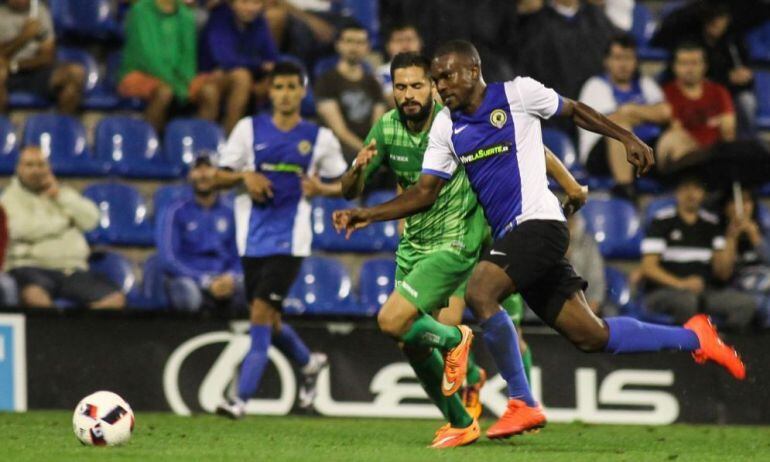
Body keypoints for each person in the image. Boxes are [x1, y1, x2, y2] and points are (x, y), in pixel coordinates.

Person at [332, 40, 746, 441]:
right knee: (591, 335)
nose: (441, 86)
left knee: (480, 290)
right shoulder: (446, 126)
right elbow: (425, 193)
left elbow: (575, 110)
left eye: (447, 76)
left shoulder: (518, 94)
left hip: (540, 223)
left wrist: (627, 137)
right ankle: (696, 337)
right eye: (437, 80)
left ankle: (522, 401)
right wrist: (368, 213)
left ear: (473, 71)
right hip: (517, 239)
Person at [318, 52, 587, 448]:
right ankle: (463, 417)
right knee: (410, 338)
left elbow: (530, 148)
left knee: (423, 323)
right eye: (400, 87)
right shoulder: (387, 128)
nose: (408, 94)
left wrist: (571, 184)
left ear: (433, 87)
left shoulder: (457, 118)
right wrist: (356, 171)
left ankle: (518, 397)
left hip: (463, 241)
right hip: (414, 243)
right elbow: (350, 190)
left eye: (417, 85)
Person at [212, 62, 347, 418]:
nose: (286, 94)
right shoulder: (248, 129)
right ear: (270, 92)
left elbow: (348, 184)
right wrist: (245, 176)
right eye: (279, 87)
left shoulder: (319, 138)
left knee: (259, 314)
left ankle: (240, 400)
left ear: (303, 92)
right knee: (270, 319)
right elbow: (217, 177)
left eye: (292, 87)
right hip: (251, 241)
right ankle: (309, 363)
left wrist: (322, 189)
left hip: (291, 242)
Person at [1, 146, 125, 309]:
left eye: (41, 165)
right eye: (29, 165)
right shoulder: (8, 199)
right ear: (19, 168)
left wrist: (59, 196)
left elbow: (91, 220)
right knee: (34, 296)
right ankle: (54, 325)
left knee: (115, 299)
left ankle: (80, 325)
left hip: (72, 270)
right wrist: (65, 222)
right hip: (31, 268)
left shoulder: (64, 194)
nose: (36, 170)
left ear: (49, 168)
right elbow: (19, 229)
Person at [641, 176, 758, 331]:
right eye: (686, 188)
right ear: (677, 192)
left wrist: (731, 237)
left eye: (696, 189)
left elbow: (723, 274)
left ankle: (722, 340)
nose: (691, 194)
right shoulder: (661, 221)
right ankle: (684, 342)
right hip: (666, 291)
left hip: (705, 292)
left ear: (703, 193)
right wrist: (681, 284)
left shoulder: (711, 224)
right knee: (687, 301)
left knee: (745, 304)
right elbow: (649, 268)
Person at [578, 33, 671, 199]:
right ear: (607, 61)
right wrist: (645, 115)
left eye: (628, 58)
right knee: (620, 130)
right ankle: (625, 191)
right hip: (601, 156)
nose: (623, 64)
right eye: (618, 58)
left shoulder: (646, 84)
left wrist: (630, 110)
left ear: (636, 61)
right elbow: (609, 122)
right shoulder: (595, 86)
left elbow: (665, 112)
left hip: (643, 151)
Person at [156, 153, 244, 314]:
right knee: (188, 293)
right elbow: (169, 259)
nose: (203, 174)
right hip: (189, 279)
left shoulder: (230, 212)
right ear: (190, 175)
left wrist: (231, 277)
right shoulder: (175, 211)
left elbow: (239, 255)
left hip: (224, 279)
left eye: (209, 168)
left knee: (254, 290)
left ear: (219, 174)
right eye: (198, 169)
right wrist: (205, 280)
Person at [118, 0, 221, 132]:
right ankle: (149, 141)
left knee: (210, 92)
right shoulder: (140, 10)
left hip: (179, 80)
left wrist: (185, 81)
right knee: (164, 92)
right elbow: (147, 58)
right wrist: (177, 86)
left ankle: (198, 141)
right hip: (140, 74)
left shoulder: (186, 15)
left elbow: (188, 58)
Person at [199, 0, 279, 134]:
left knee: (276, 78)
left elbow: (272, 58)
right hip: (208, 76)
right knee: (242, 77)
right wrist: (259, 64)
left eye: (256, 3)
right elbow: (225, 60)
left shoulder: (259, 21)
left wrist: (262, 69)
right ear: (232, 3)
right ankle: (231, 136)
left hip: (247, 77)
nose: (250, 8)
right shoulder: (220, 17)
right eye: (244, 2)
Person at [657, 42, 736, 169]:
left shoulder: (718, 91)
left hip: (715, 155)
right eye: (684, 63)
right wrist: (712, 123)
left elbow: (728, 127)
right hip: (684, 155)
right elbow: (676, 128)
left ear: (705, 66)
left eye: (695, 63)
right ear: (674, 67)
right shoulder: (666, 93)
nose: (690, 69)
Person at [314, 23, 386, 161]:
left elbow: (377, 127)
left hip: (370, 149)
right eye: (349, 41)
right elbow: (340, 131)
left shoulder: (374, 83)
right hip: (338, 151)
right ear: (338, 45)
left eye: (360, 42)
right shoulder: (326, 81)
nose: (354, 47)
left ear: (368, 47)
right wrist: (366, 151)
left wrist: (372, 150)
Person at [0, 0, 85, 114]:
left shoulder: (40, 13)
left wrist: (14, 65)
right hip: (6, 75)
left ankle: (62, 122)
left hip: (37, 72)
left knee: (76, 73)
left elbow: (47, 57)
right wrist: (24, 36)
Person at [720, 188, 770, 325]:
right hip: (740, 289)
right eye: (736, 201)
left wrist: (756, 238)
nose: (742, 206)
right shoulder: (718, 232)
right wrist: (731, 238)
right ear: (726, 207)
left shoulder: (765, 229)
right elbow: (723, 274)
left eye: (747, 201)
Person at [567, 213, 606, 314]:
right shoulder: (541, 242)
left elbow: (596, 285)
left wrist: (587, 315)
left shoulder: (588, 244)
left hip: (582, 312)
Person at [376, 24, 422, 105]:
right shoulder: (381, 74)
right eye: (399, 41)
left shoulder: (431, 70)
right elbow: (394, 101)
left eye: (409, 40)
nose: (405, 46)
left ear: (420, 43)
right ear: (388, 46)